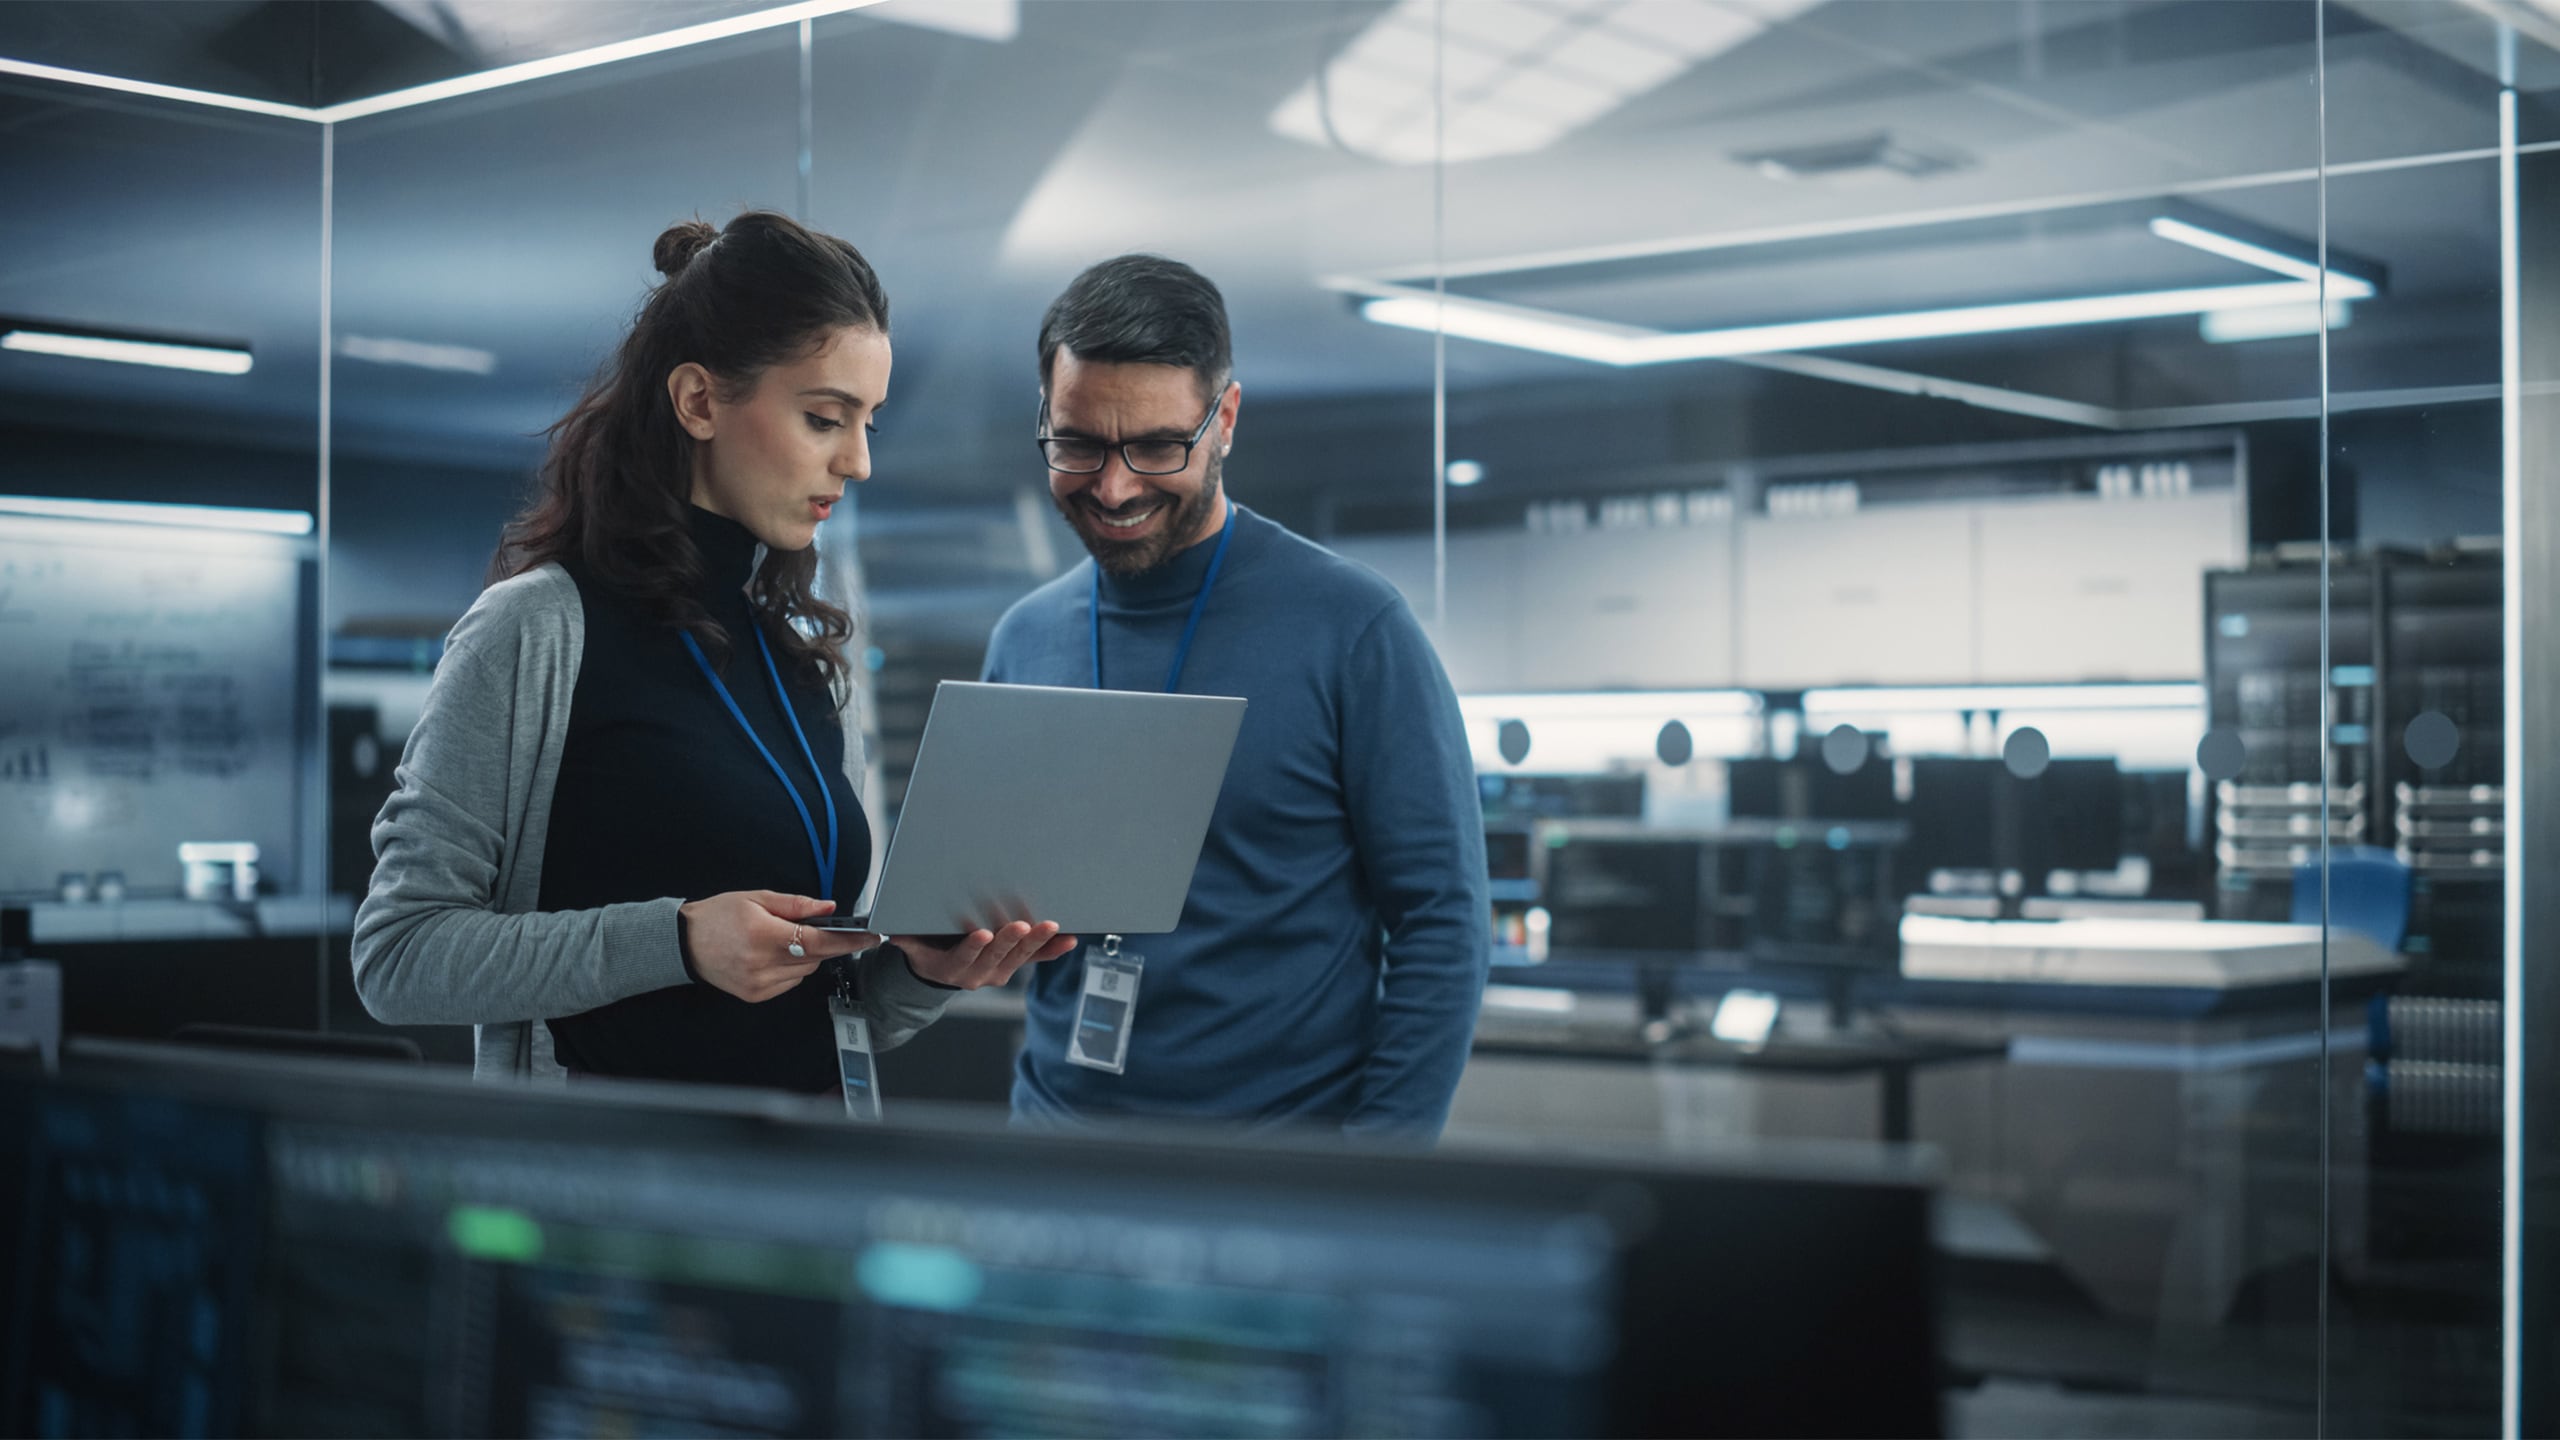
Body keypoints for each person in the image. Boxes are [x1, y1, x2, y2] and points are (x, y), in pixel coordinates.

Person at [353, 210, 1074, 1091]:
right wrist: (681, 941)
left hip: (807, 1190)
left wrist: (924, 972)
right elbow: (398, 956)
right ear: (698, 401)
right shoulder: (535, 629)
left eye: (868, 425)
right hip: (612, 1199)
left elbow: (832, 1015)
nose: (857, 463)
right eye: (824, 418)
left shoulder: (799, 651)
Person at [981, 254, 1489, 1139]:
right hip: (1056, 1150)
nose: (1114, 487)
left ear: (1226, 421)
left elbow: (1443, 920)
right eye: (1079, 445)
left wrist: (1376, 1166)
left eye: (1155, 446)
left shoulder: (1354, 628)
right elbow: (990, 905)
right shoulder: (1025, 638)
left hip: (1278, 1166)